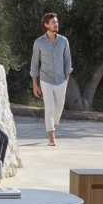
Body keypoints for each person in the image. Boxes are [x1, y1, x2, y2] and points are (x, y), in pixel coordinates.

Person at [30, 13, 72, 146]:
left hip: (61, 80)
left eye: (56, 22)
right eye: (53, 22)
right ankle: (51, 137)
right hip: (46, 79)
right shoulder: (39, 43)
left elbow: (68, 61)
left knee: (59, 108)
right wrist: (35, 84)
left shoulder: (64, 41)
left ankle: (53, 125)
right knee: (49, 107)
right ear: (46, 25)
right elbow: (34, 64)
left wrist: (66, 79)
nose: (56, 24)